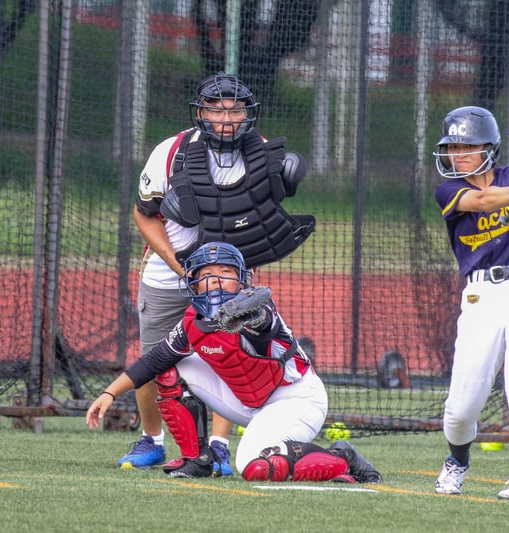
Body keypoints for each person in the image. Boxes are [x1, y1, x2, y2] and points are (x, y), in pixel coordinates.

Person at [127, 72, 313, 474]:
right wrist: (180, 267)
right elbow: (143, 215)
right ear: (201, 113)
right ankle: (151, 440)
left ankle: (218, 445)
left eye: (235, 110)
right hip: (168, 271)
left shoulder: (261, 152)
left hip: (229, 278)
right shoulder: (171, 152)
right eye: (216, 110)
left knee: (227, 356)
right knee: (154, 359)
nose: (226, 119)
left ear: (248, 113)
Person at [86, 242, 381, 484]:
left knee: (254, 466)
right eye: (206, 273)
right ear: (194, 283)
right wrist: (109, 393)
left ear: (241, 280)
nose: (215, 279)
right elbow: (154, 360)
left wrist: (249, 316)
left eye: (225, 272)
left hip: (295, 401)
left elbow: (264, 323)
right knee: (168, 369)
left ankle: (343, 458)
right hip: (248, 402)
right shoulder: (192, 321)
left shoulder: (258, 309)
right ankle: (198, 459)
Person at [432, 106, 509, 501]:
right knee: (461, 409)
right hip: (480, 296)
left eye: (467, 146)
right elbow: (482, 201)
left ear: (489, 147)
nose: (458, 154)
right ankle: (457, 462)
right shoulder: (448, 191)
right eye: (452, 147)